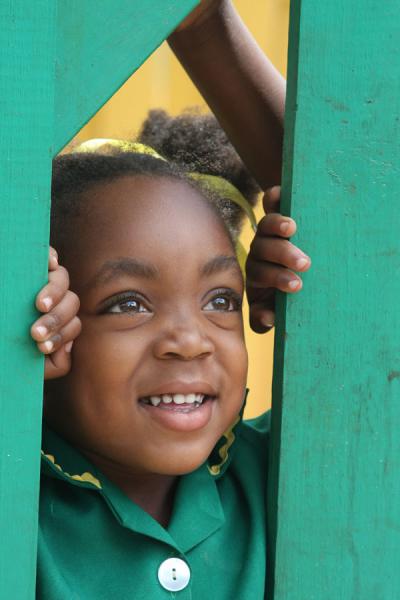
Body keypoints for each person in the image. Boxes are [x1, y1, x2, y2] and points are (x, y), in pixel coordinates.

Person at [30, 2, 311, 598]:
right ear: (48, 315)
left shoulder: (287, 475)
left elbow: (373, 233)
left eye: (218, 299)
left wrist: (205, 23)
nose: (190, 339)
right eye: (129, 303)